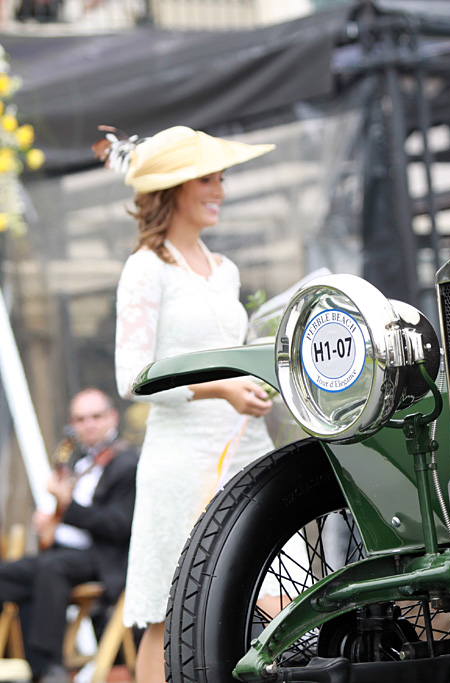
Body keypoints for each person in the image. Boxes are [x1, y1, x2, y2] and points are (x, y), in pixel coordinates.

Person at [112, 126, 276, 683]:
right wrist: (221, 389)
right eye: (207, 178)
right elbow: (133, 379)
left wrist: (252, 382)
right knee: (167, 610)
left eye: (221, 178)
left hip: (244, 446)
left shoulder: (224, 269)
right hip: (181, 460)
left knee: (280, 587)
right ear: (175, 188)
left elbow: (225, 357)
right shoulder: (146, 269)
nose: (220, 190)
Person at [0, 387, 138, 683]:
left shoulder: (128, 463)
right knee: (9, 574)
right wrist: (52, 526)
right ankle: (26, 662)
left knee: (50, 568)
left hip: (105, 559)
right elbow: (72, 521)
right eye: (80, 418)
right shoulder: (79, 464)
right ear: (72, 425)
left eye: (96, 416)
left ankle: (51, 667)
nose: (89, 424)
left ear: (113, 417)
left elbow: (119, 526)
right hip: (68, 554)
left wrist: (67, 505)